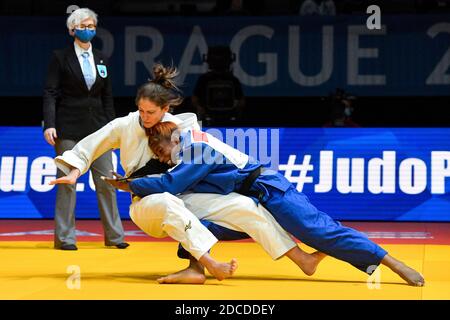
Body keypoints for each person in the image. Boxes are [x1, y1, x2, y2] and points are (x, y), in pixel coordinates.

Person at [48, 63, 306, 284]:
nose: (145, 118)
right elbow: (93, 143)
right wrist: (74, 171)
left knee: (245, 205)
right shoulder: (124, 126)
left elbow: (205, 151)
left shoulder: (182, 126)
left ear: (165, 109)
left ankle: (301, 258)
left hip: (180, 192)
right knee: (167, 200)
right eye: (141, 111)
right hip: (145, 203)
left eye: (151, 112)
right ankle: (207, 264)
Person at [116, 121, 425, 287]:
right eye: (155, 154)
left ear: (173, 138)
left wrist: (130, 184)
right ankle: (195, 268)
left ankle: (390, 262)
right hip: (250, 198)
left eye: (160, 149)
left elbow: (171, 184)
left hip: (270, 190)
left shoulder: (196, 149)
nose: (161, 157)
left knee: (318, 231)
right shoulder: (185, 150)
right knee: (198, 223)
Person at [43, 8, 128, 251]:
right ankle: (65, 239)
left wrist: (114, 128)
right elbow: (50, 93)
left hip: (99, 129)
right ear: (72, 29)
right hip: (68, 128)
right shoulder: (60, 57)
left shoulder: (102, 58)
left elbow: (107, 96)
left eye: (91, 26)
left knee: (107, 182)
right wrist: (49, 124)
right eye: (83, 26)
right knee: (67, 183)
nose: (88, 30)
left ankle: (114, 236)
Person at [191, 46, 245, 126]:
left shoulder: (233, 80)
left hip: (229, 117)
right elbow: (194, 99)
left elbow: (241, 101)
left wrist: (237, 108)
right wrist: (200, 109)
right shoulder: (204, 79)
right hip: (207, 117)